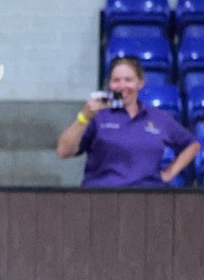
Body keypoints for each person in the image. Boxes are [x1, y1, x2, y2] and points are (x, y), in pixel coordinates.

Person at [55, 56, 199, 187]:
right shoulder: (97, 116)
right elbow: (63, 151)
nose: (122, 86)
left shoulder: (158, 117)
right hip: (101, 197)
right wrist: (84, 117)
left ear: (140, 83)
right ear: (110, 84)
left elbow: (192, 144)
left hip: (147, 199)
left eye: (128, 80)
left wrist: (168, 174)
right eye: (116, 80)